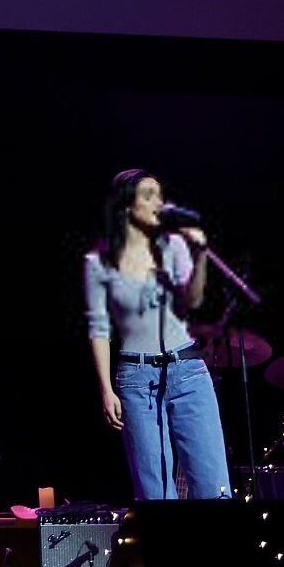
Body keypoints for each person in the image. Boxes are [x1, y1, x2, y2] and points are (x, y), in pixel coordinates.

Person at [82, 168, 233, 501]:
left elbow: (191, 300)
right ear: (125, 205)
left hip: (189, 370)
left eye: (159, 195)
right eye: (148, 195)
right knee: (156, 495)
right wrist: (106, 389)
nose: (158, 203)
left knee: (214, 488)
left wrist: (200, 256)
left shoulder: (173, 246)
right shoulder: (99, 261)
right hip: (136, 378)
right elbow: (99, 328)